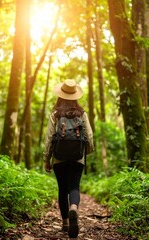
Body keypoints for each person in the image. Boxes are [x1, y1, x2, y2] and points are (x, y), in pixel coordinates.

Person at [43, 79, 94, 238]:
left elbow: (49, 137)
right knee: (74, 187)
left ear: (60, 95)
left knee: (62, 189)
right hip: (77, 157)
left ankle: (65, 223)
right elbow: (89, 135)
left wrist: (47, 158)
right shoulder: (82, 113)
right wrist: (88, 152)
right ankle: (74, 207)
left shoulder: (55, 114)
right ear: (75, 96)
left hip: (59, 158)